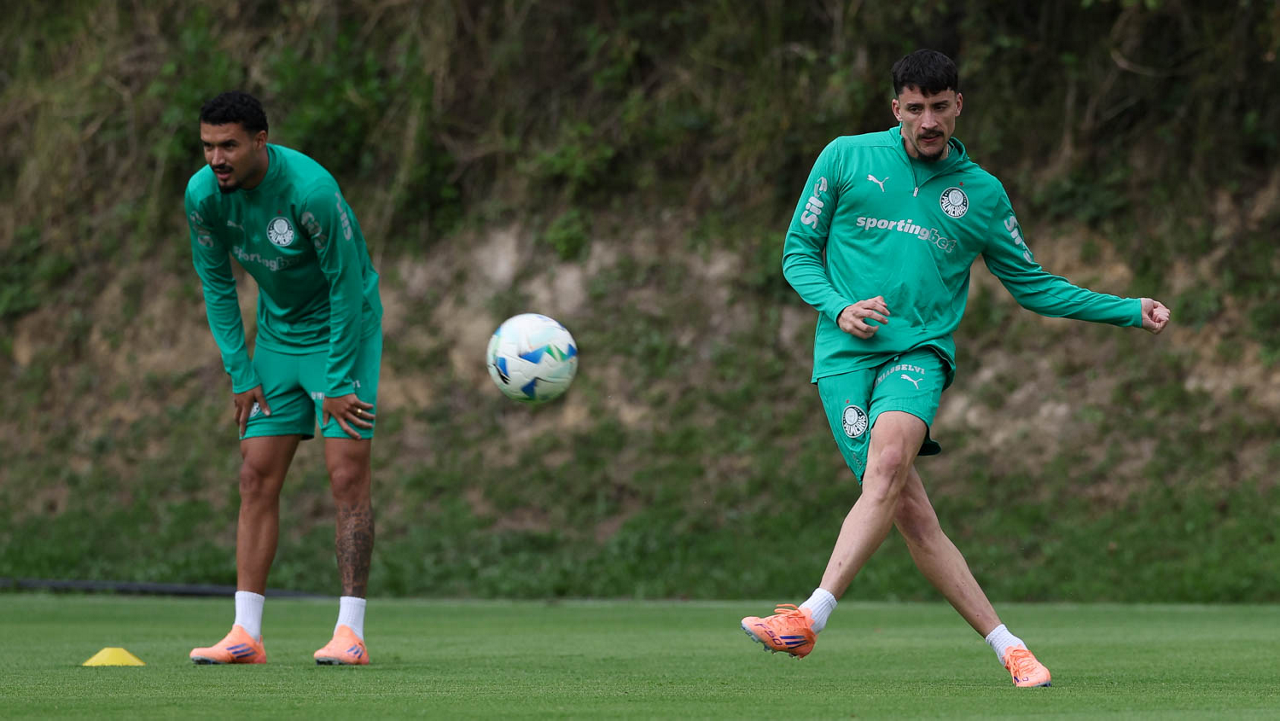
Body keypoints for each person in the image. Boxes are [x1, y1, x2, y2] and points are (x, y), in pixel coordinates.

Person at [739, 50, 1170, 687]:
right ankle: (1011, 648)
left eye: (940, 107)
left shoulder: (982, 194)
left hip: (918, 354)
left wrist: (1126, 309)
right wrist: (839, 307)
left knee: (889, 460)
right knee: (913, 516)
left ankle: (808, 617)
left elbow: (1033, 285)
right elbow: (798, 252)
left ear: (958, 105)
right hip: (842, 359)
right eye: (915, 108)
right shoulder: (845, 157)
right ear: (896, 109)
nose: (929, 121)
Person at [185, 91, 384, 666]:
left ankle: (350, 634)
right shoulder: (203, 196)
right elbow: (217, 284)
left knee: (346, 475)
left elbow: (348, 286)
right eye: (208, 146)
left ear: (260, 142)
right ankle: (245, 635)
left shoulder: (311, 192)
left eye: (228, 146)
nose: (216, 159)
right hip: (276, 338)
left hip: (343, 333)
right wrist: (240, 371)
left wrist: (339, 378)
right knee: (254, 474)